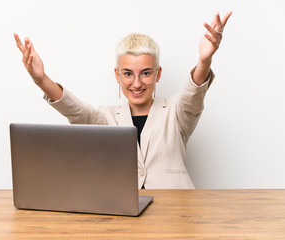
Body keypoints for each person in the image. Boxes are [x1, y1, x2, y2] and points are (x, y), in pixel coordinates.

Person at [14, 12, 232, 189]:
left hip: (177, 213)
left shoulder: (176, 111)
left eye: (146, 73)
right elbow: (76, 112)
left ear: (158, 74)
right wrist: (41, 80)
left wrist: (204, 61)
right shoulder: (106, 117)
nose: (136, 83)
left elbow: (192, 95)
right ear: (117, 75)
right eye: (128, 74)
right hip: (124, 214)